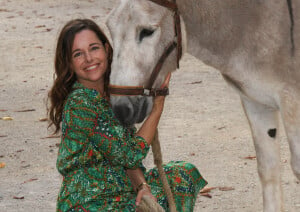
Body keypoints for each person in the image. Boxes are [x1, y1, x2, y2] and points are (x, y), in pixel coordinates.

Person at [48, 18, 207, 211]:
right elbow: (129, 154)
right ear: (70, 63)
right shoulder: (80, 102)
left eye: (94, 48)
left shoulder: (110, 95)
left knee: (181, 175)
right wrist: (158, 105)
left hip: (121, 191)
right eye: (78, 54)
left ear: (107, 50)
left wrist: (143, 187)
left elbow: (125, 156)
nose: (89, 58)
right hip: (90, 203)